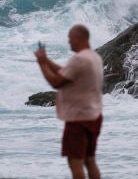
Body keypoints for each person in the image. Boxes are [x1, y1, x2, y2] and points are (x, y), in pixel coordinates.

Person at [34, 24, 104, 179]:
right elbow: (66, 73)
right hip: (94, 114)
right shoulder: (93, 57)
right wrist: (47, 61)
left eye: (70, 39)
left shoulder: (79, 59)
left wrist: (41, 64)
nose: (69, 42)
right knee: (89, 160)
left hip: (79, 118)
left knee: (75, 162)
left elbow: (56, 82)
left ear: (79, 38)